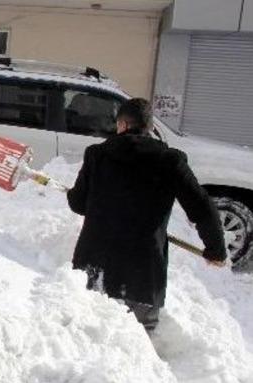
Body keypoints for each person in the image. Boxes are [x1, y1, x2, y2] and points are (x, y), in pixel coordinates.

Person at [66, 98, 226, 333]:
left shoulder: (97, 155)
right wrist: (216, 249)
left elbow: (78, 204)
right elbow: (202, 206)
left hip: (94, 268)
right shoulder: (171, 160)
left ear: (122, 124)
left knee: (86, 339)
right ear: (149, 128)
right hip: (142, 274)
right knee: (139, 348)